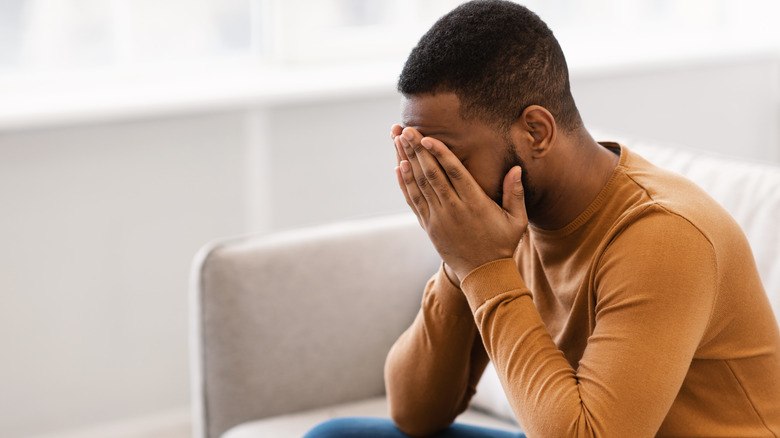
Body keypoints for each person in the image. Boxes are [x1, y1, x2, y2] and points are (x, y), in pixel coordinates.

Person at [305, 1, 780, 437]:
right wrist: (458, 265)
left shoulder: (665, 234)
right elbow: (414, 413)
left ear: (536, 131)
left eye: (451, 159)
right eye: (424, 157)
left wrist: (484, 268)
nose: (440, 184)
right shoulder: (502, 218)